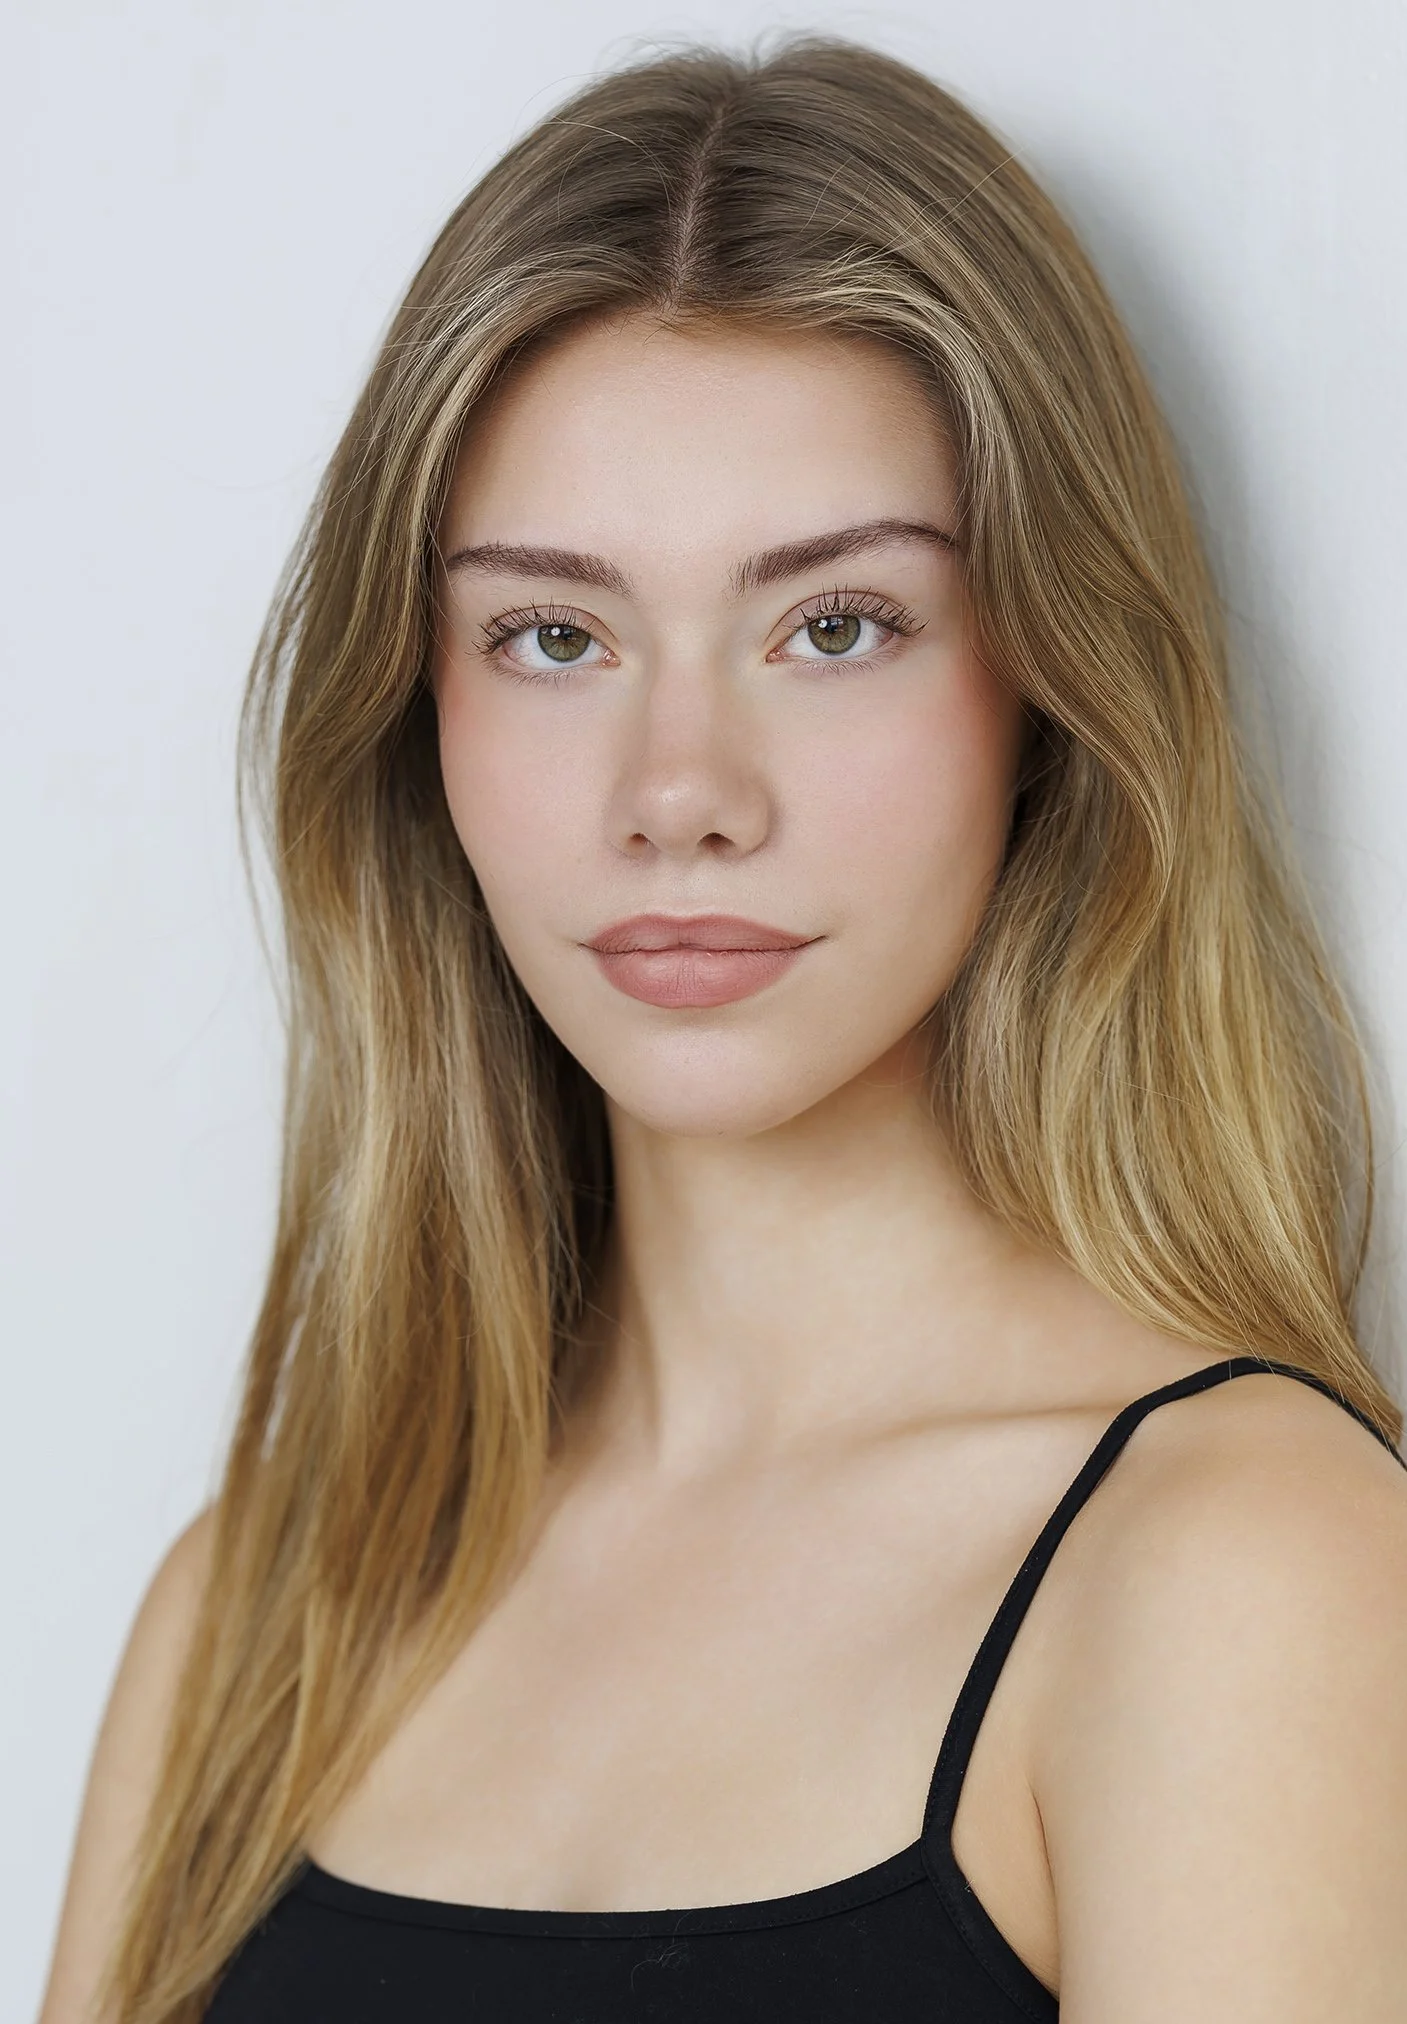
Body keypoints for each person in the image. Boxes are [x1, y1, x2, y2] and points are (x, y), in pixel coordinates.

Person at [37, 36, 1407, 2024]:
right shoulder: (263, 1605)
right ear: (422, 719)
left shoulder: (1242, 1572)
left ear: (1046, 685)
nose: (678, 787)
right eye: (555, 635)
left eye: (833, 625)